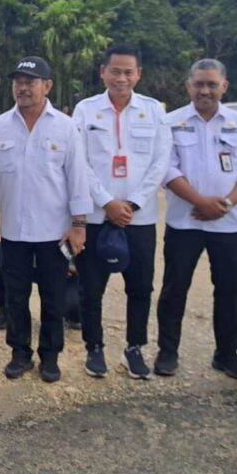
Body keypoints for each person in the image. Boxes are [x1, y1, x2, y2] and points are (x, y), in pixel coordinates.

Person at [154, 59, 237, 379]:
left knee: (230, 291)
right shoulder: (170, 122)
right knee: (175, 289)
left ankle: (226, 354)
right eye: (199, 84)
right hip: (185, 222)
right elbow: (166, 168)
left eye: (212, 84)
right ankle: (167, 352)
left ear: (224, 87)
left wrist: (225, 204)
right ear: (188, 86)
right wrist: (200, 202)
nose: (205, 90)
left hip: (232, 224)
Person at [71, 44, 172, 379]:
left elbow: (161, 162)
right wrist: (106, 202)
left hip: (138, 219)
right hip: (99, 217)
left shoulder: (154, 111)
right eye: (115, 71)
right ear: (103, 71)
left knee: (140, 287)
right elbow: (78, 162)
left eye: (129, 72)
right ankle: (94, 348)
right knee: (91, 287)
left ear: (138, 74)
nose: (122, 78)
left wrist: (133, 203)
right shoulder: (85, 111)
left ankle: (134, 348)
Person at [0, 56, 91, 382]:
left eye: (30, 82)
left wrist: (78, 225)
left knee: (53, 298)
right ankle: (19, 354)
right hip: (15, 231)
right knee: (15, 298)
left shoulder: (65, 126)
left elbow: (78, 179)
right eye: (18, 81)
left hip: (54, 233)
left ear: (46, 86)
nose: (22, 87)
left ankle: (50, 357)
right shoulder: (0, 126)